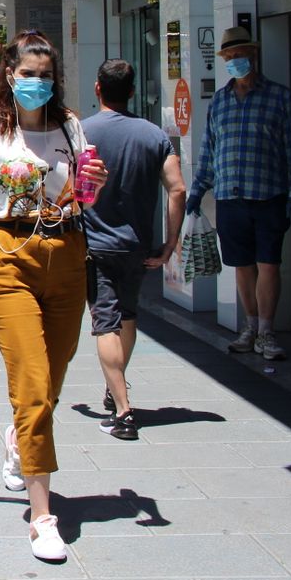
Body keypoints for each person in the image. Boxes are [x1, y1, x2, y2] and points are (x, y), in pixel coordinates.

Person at [0, 30, 108, 563]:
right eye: (27, 73)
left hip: (66, 256)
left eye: (45, 74)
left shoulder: (71, 129)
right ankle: (43, 516)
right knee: (32, 385)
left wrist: (93, 183)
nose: (36, 82)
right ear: (8, 75)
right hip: (8, 258)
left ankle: (18, 440)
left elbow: (82, 196)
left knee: (53, 378)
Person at [185, 26, 291, 362]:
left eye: (240, 55)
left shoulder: (280, 97)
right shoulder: (220, 101)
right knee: (241, 265)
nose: (235, 61)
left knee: (268, 263)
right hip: (230, 197)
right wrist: (197, 190)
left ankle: (267, 332)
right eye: (230, 56)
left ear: (252, 56)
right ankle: (250, 327)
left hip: (270, 194)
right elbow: (209, 151)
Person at [81, 59, 186, 441]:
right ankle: (116, 383)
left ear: (97, 89)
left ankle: (122, 410)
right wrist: (170, 244)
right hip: (137, 246)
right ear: (131, 90)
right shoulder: (155, 135)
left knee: (104, 321)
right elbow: (178, 188)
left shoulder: (83, 133)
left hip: (96, 244)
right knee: (127, 316)